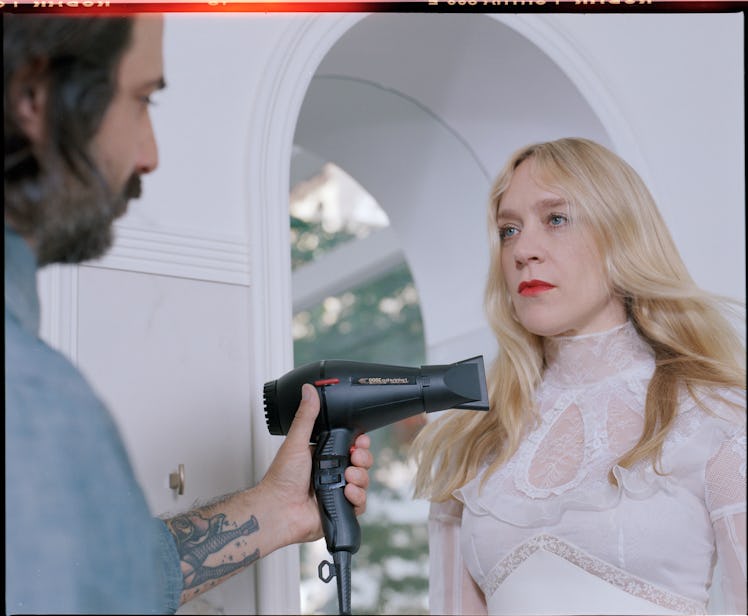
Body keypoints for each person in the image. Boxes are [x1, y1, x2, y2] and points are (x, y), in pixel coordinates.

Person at [4, 14, 373, 614]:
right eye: (142, 99)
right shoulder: (33, 400)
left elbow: (96, 570)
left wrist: (277, 509)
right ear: (33, 96)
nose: (149, 155)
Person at [411, 138, 746, 615]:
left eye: (556, 219)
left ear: (621, 233)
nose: (523, 249)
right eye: (509, 230)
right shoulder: (472, 442)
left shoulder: (717, 416)